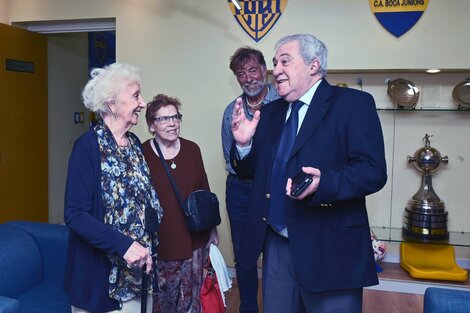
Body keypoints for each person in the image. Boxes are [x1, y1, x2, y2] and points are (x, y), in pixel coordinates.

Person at [230, 34, 387, 313]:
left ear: (313, 66)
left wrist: (324, 182)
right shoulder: (270, 113)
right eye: (275, 62)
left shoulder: (353, 104)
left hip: (330, 248)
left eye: (285, 62)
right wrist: (243, 146)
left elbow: (373, 171)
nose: (275, 69)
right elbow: (255, 172)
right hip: (278, 244)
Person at [64, 63, 163, 313]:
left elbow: (144, 199)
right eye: (135, 95)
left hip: (139, 273)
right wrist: (125, 245)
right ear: (111, 104)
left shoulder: (134, 144)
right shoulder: (87, 148)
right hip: (102, 278)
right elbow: (75, 215)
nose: (143, 102)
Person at [142, 94, 219, 313]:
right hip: (160, 242)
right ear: (151, 125)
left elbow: (204, 191)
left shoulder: (192, 149)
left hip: (193, 239)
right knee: (163, 303)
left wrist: (212, 229)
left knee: (191, 301)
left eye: (175, 117)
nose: (172, 123)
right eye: (164, 118)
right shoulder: (142, 153)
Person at [221, 46, 280, 313]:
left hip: (274, 189)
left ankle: (276, 306)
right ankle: (247, 307)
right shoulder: (231, 112)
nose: (248, 78)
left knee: (275, 253)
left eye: (253, 70)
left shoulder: (283, 103)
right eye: (241, 74)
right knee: (244, 255)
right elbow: (230, 158)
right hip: (241, 191)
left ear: (265, 70)